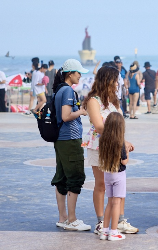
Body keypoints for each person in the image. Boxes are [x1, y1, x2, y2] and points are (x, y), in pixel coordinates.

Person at [82, 66, 137, 235]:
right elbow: (99, 126)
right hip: (99, 146)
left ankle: (119, 220)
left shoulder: (113, 101)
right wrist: (120, 139)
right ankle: (101, 222)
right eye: (115, 80)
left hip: (114, 147)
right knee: (101, 184)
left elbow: (119, 124)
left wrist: (123, 141)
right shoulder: (93, 101)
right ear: (107, 80)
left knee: (119, 183)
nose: (117, 83)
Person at [51, 59, 90, 231]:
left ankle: (63, 217)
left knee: (62, 177)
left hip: (61, 139)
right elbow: (66, 116)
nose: (80, 76)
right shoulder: (67, 90)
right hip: (70, 139)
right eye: (78, 73)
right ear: (70, 74)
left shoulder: (59, 89)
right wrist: (81, 111)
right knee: (75, 177)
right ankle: (72, 219)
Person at [99, 112, 129, 241]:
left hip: (107, 174)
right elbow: (124, 161)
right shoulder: (120, 141)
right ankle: (114, 231)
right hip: (119, 174)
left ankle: (104, 231)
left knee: (110, 202)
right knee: (117, 202)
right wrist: (127, 151)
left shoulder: (103, 140)